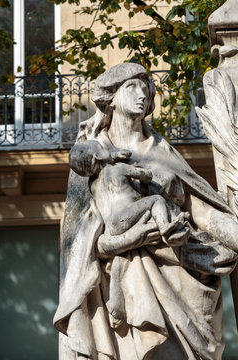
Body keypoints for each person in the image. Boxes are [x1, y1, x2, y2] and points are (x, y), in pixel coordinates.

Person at [54, 63, 238, 360]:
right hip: (118, 296)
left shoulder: (162, 152)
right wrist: (137, 237)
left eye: (145, 88)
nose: (142, 94)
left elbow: (202, 212)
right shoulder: (89, 158)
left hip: (177, 279)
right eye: (131, 87)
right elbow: (79, 248)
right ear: (110, 97)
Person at [69, 139, 190, 245]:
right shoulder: (120, 169)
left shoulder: (92, 184)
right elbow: (147, 176)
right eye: (102, 148)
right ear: (97, 156)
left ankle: (174, 221)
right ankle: (165, 227)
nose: (106, 149)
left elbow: (102, 164)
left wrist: (114, 156)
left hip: (111, 227)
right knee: (157, 200)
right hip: (125, 216)